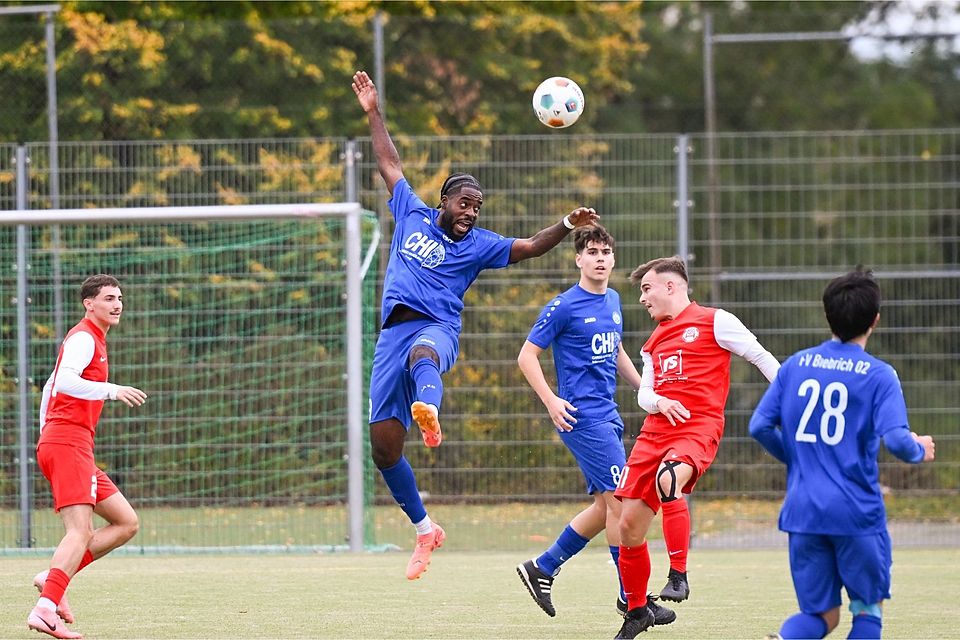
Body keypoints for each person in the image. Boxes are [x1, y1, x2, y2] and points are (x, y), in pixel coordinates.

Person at [351, 70, 600, 581]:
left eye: (477, 207)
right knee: (383, 446)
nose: (471, 212)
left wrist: (567, 225)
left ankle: (430, 410)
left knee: (425, 355)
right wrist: (374, 112)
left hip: (436, 329)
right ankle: (425, 530)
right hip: (389, 336)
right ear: (443, 201)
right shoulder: (412, 214)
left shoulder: (479, 243)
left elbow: (529, 246)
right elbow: (389, 162)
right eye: (464, 203)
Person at [749, 268, 935, 640]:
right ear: (875, 321)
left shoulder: (797, 365)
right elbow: (897, 441)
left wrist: (798, 458)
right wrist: (920, 449)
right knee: (866, 610)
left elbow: (759, 427)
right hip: (856, 513)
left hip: (803, 511)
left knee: (821, 615)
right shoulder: (879, 375)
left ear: (828, 315)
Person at [514, 225, 675, 627]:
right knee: (622, 506)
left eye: (606, 251)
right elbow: (527, 356)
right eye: (592, 251)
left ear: (613, 259)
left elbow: (616, 349)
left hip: (608, 414)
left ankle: (543, 567)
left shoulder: (616, 300)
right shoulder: (564, 306)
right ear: (578, 259)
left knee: (606, 506)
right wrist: (551, 401)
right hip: (583, 418)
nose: (600, 258)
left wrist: (646, 391)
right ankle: (631, 600)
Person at [613, 256, 780, 639]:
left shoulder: (715, 320)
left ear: (671, 287)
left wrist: (791, 395)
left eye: (646, 288)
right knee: (628, 527)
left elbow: (761, 357)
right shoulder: (653, 342)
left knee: (668, 479)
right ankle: (637, 611)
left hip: (697, 427)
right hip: (654, 432)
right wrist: (659, 403)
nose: (642, 298)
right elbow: (646, 394)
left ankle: (679, 575)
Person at [28, 274, 148, 639]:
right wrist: (111, 390)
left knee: (126, 522)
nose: (117, 304)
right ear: (89, 304)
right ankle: (46, 609)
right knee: (80, 532)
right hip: (67, 443)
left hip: (71, 444)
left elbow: (50, 385)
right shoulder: (82, 336)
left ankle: (52, 580)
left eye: (120, 298)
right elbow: (64, 381)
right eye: (109, 298)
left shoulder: (94, 339)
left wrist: (45, 431)